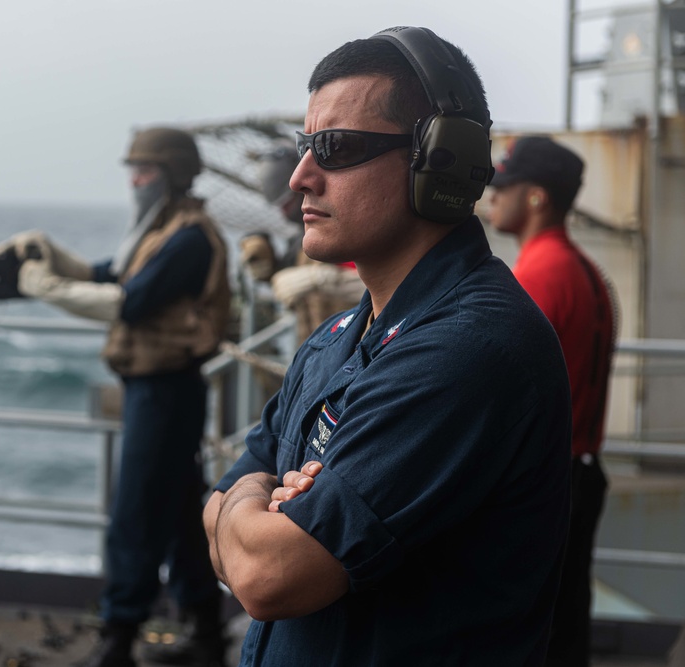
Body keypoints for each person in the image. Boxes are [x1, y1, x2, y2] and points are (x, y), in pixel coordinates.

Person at [203, 26, 573, 666]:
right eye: (304, 146)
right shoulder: (335, 341)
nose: (299, 179)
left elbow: (264, 575)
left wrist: (254, 508)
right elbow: (220, 525)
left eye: (336, 148)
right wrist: (252, 501)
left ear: (441, 159)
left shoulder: (467, 350)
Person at [0, 127, 231, 667]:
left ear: (169, 176)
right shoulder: (163, 230)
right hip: (158, 389)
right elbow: (110, 272)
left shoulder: (190, 237)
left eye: (143, 170)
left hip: (165, 391)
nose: (134, 180)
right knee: (174, 514)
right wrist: (51, 254)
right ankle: (207, 634)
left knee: (135, 513)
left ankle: (117, 641)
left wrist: (44, 286)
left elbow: (132, 299)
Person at [488, 135, 617, 667]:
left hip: (546, 481)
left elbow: (500, 397)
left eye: (504, 186)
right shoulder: (585, 269)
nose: (492, 196)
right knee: (565, 628)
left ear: (536, 197)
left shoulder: (539, 275)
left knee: (530, 636)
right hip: (582, 469)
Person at [239, 141, 366, 342]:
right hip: (318, 347)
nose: (284, 212)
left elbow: (382, 283)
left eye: (288, 202)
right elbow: (288, 283)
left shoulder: (349, 229)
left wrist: (322, 279)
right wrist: (266, 266)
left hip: (355, 343)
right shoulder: (301, 239)